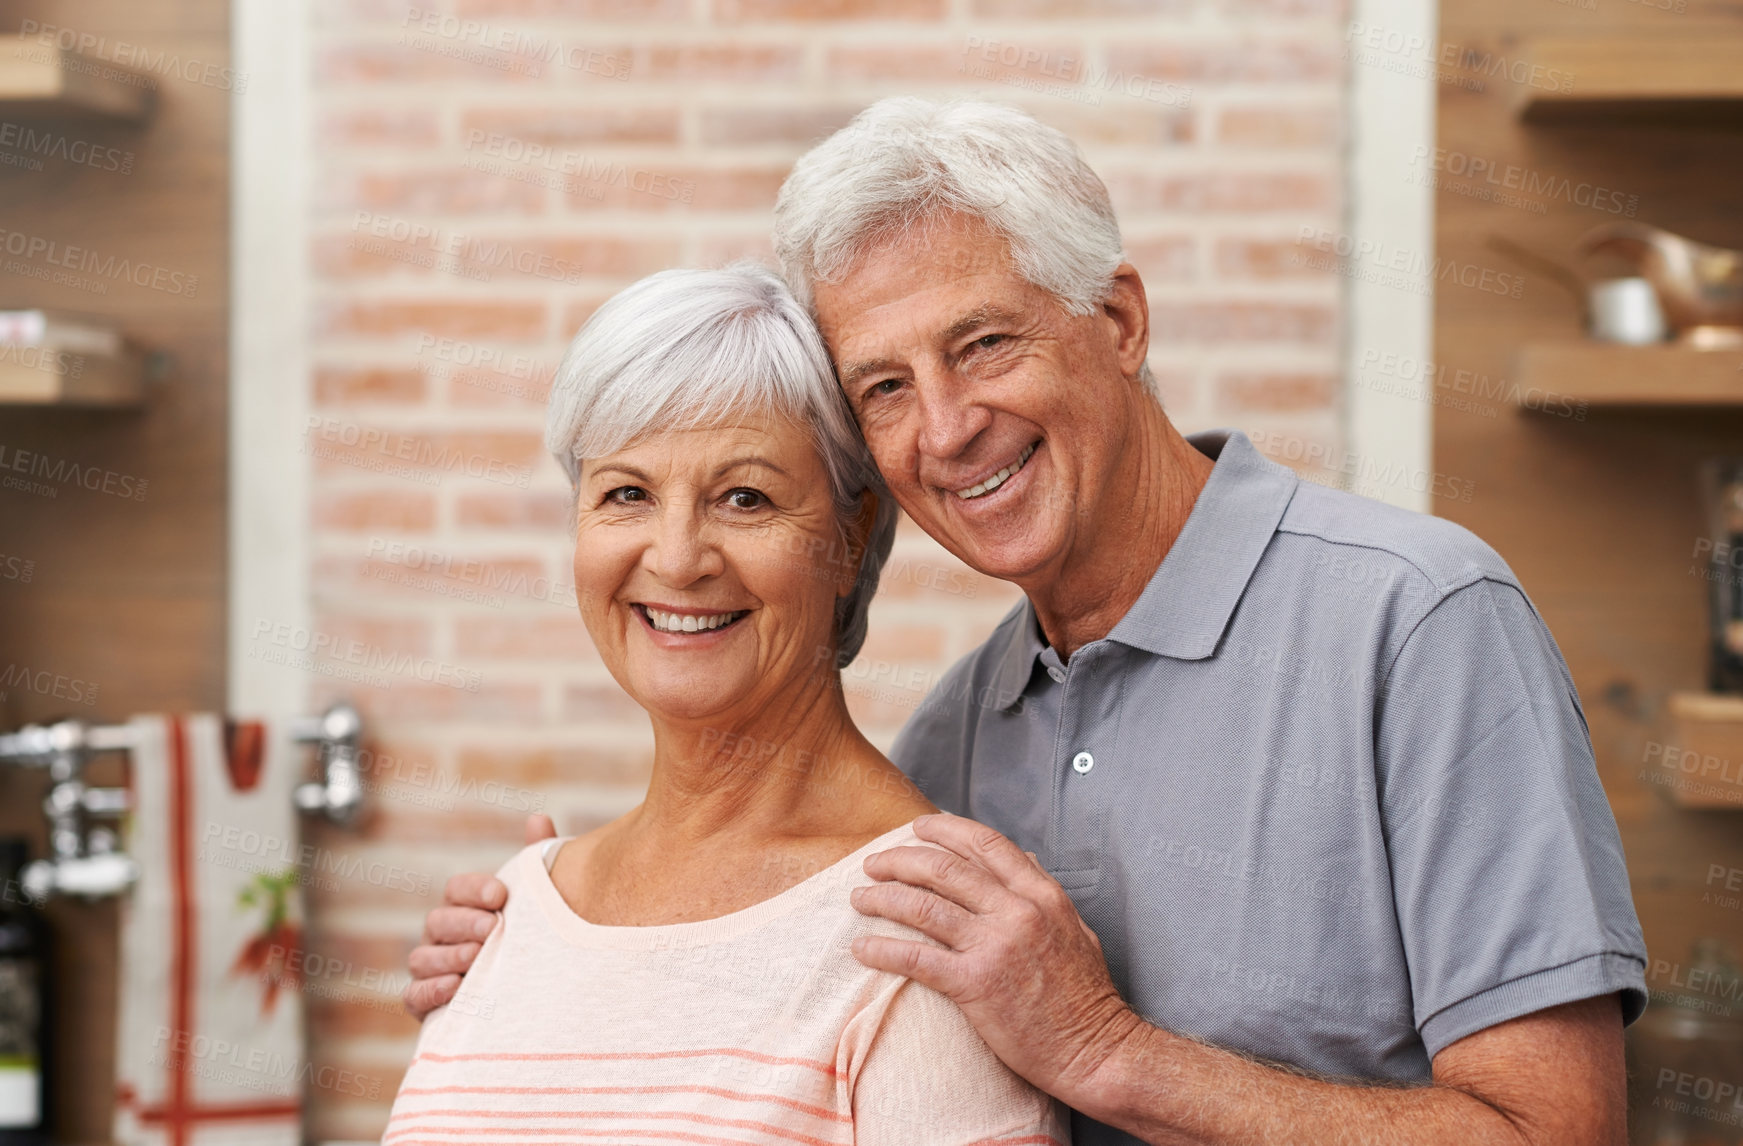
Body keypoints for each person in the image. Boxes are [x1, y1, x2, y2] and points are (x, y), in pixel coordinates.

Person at [407, 99, 1648, 1146]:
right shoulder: (957, 739)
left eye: (982, 344)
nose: (945, 429)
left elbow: (1552, 1132)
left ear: (1116, 322)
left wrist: (1108, 1051)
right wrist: (562, 959)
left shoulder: (1414, 621)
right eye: (884, 387)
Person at [383, 264, 1067, 1145]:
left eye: (744, 497)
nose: (676, 558)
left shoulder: (923, 934)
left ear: (849, 538)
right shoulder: (515, 912)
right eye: (626, 492)